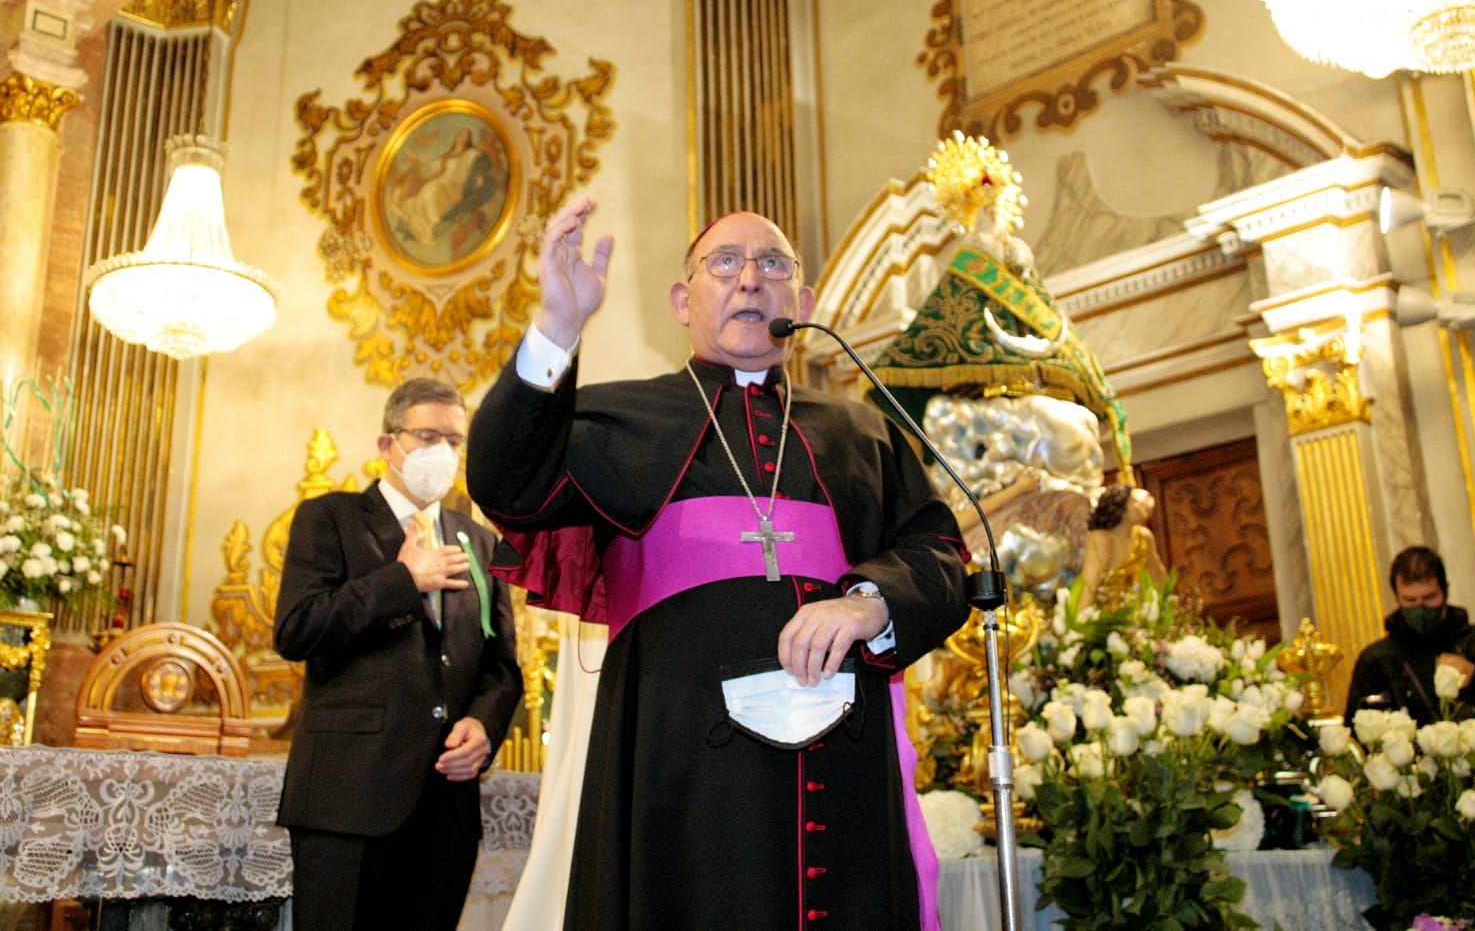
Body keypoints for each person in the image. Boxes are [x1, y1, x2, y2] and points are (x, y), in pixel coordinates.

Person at [467, 197, 971, 930]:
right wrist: (559, 325)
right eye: (724, 263)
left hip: (847, 748)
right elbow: (504, 479)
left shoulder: (864, 431)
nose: (749, 280)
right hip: (677, 756)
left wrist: (869, 602)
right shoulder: (621, 419)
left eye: (772, 264)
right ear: (683, 299)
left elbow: (942, 550)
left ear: (803, 300)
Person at [274, 378, 523, 931]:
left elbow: (501, 664)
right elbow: (297, 630)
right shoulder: (329, 519)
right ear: (388, 445)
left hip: (446, 802)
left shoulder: (478, 542)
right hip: (348, 798)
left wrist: (485, 725)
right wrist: (403, 580)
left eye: (454, 441)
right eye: (427, 435)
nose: (443, 452)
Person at [1344, 545, 1475, 724]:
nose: (1420, 608)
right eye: (1410, 600)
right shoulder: (1377, 660)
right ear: (1397, 597)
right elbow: (1358, 730)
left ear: (1445, 592)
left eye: (1429, 597)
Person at [1074, 484, 1164, 613]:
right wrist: (1079, 625)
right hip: (1108, 616)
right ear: (1121, 507)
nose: (1146, 506)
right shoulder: (1101, 539)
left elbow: (1157, 575)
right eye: (1136, 502)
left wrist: (1167, 608)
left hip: (1140, 613)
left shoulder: (1144, 536)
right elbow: (1089, 586)